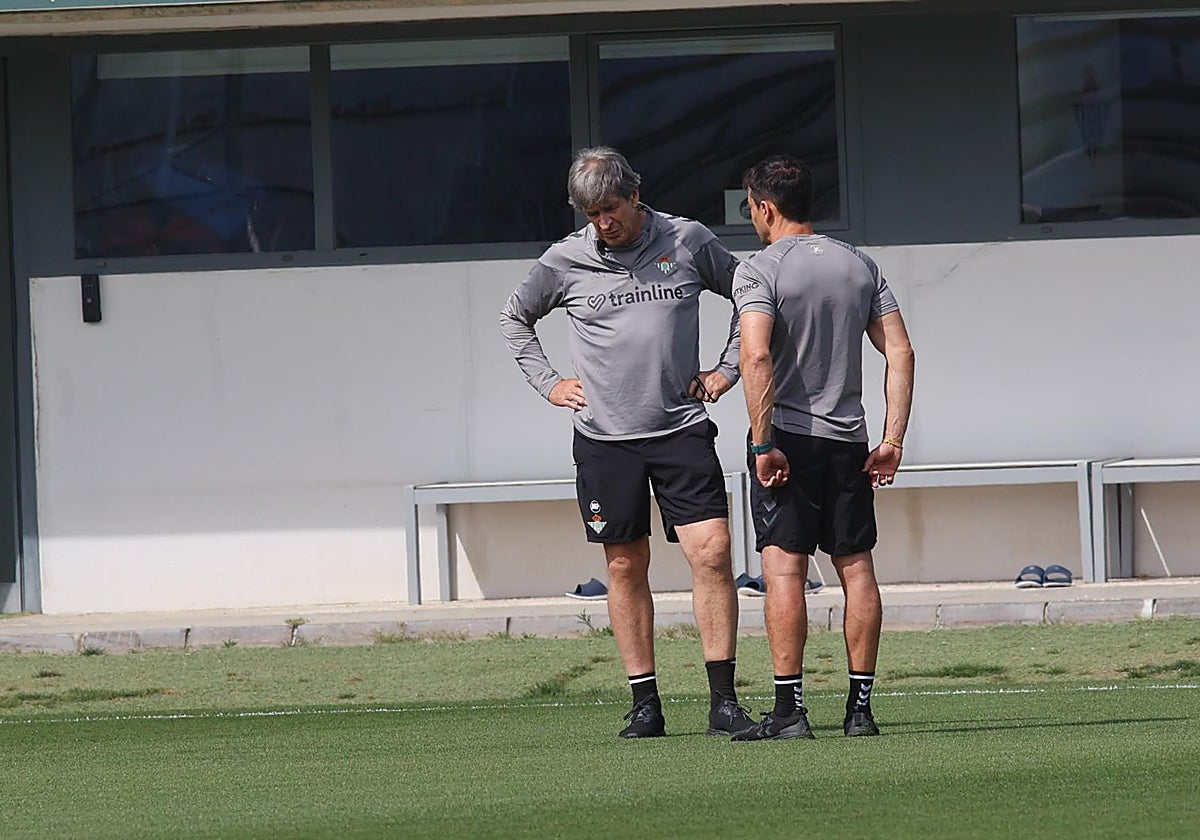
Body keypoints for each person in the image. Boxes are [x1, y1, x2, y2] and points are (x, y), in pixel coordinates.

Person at [499, 147, 755, 739]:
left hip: (681, 431)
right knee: (624, 564)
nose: (602, 223)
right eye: (590, 213)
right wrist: (549, 383)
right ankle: (645, 704)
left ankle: (723, 702)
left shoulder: (687, 240)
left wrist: (726, 369)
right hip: (605, 441)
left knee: (713, 552)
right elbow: (515, 317)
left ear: (635, 195)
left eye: (610, 209)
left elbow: (751, 293)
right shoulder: (565, 259)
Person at [730, 155, 915, 740]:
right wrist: (891, 440)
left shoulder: (759, 269)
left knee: (784, 571)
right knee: (856, 567)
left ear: (763, 206)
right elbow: (902, 353)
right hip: (852, 441)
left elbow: (755, 355)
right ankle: (860, 711)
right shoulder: (860, 265)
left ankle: (790, 713)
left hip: (786, 439)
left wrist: (764, 443)